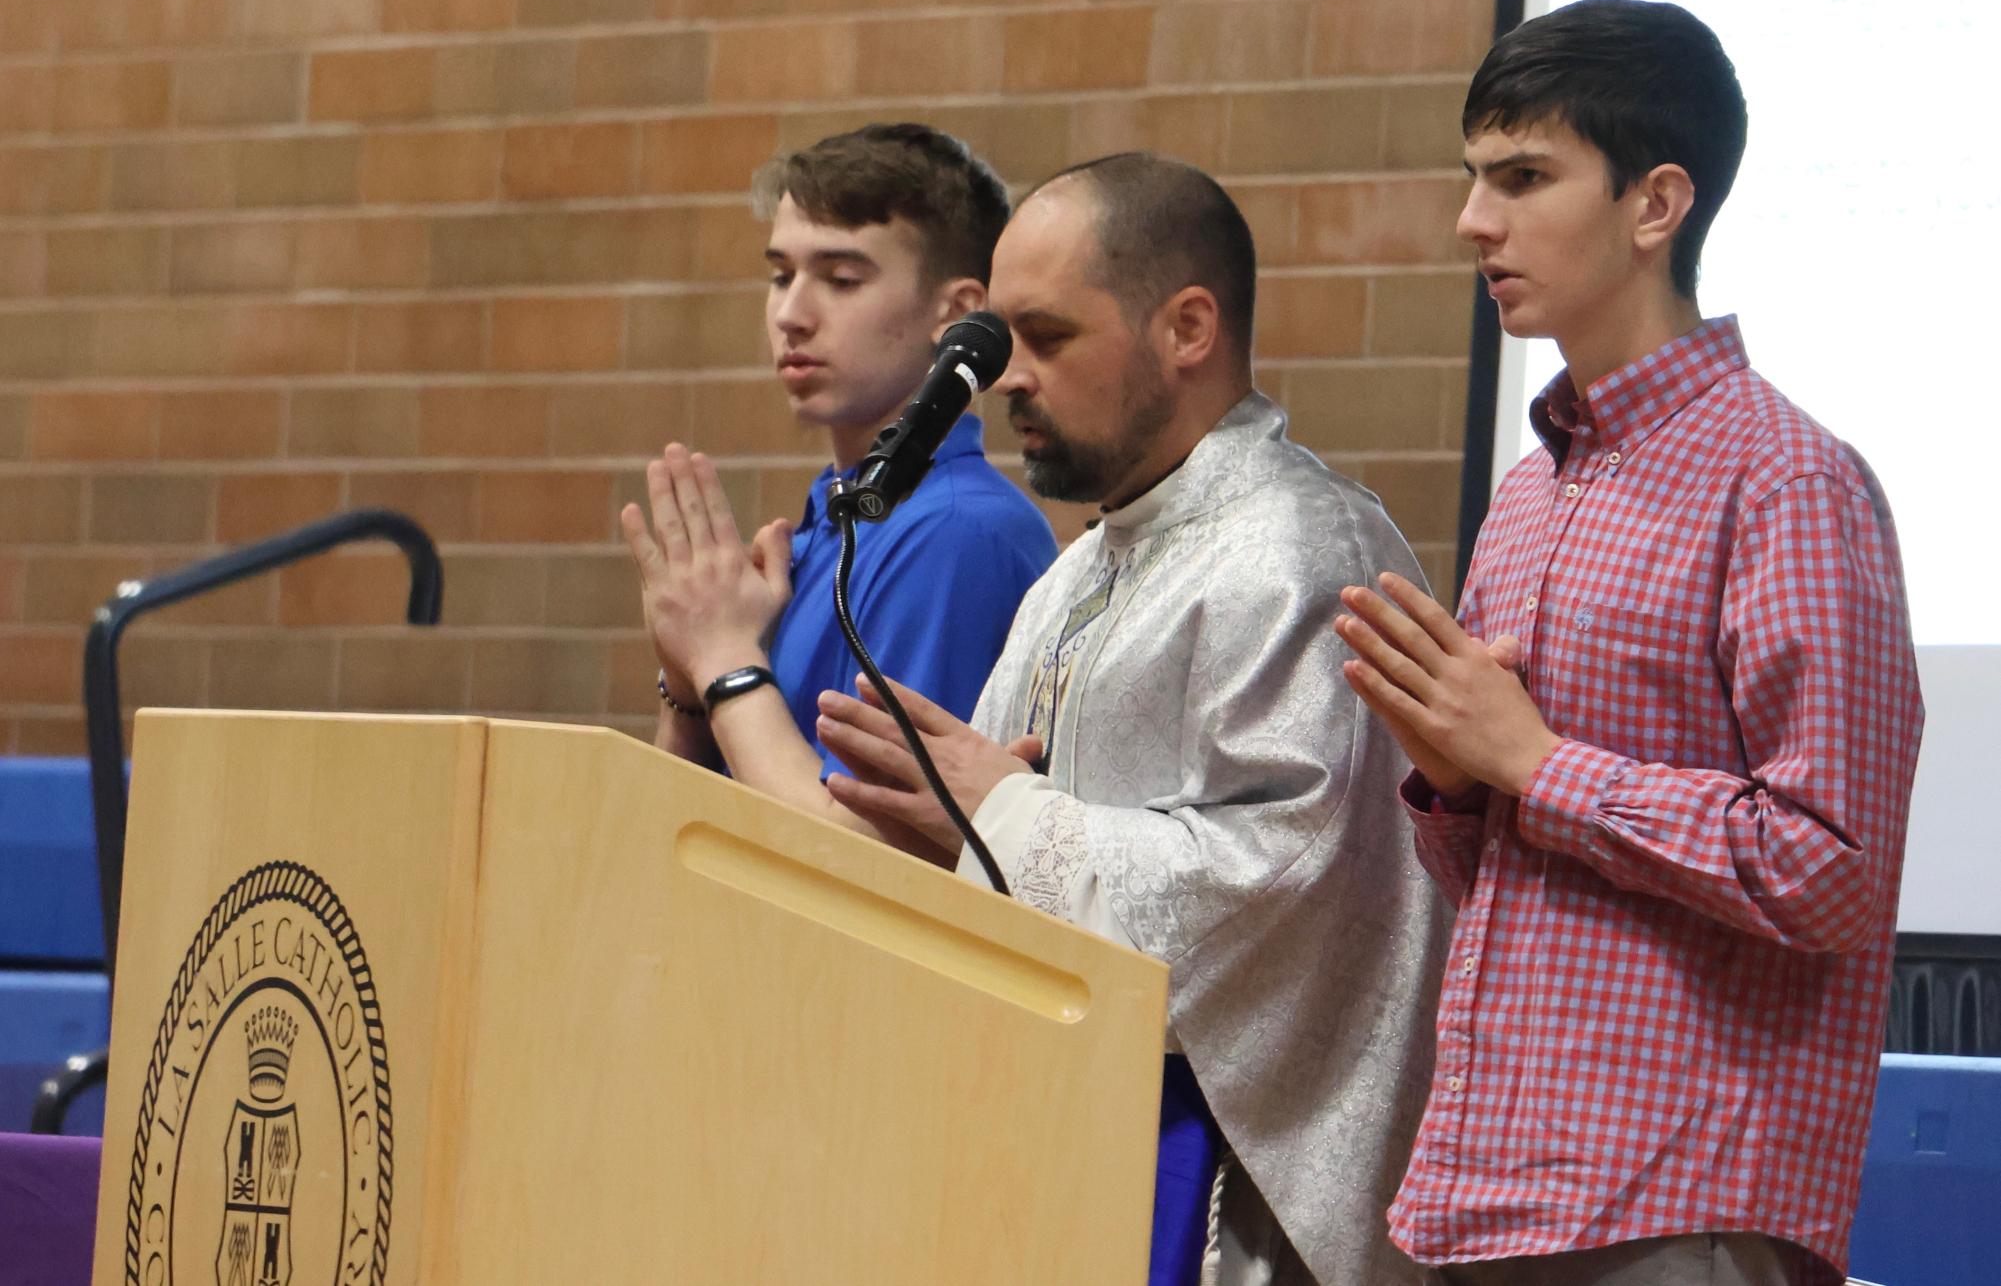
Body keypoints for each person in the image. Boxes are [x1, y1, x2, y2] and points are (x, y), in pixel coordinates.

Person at [1336, 0, 1924, 1286]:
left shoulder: (1790, 482)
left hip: (1677, 1202)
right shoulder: (1532, 493)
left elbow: (1829, 864)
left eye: (1523, 177)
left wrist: (1538, 763)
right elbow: (1500, 872)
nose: (1472, 222)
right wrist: (1454, 774)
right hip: (1486, 1190)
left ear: (1657, 204)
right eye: (1472, 178)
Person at [815, 152, 1448, 1285]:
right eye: (1003, 342)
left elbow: (1279, 878)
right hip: (1073, 1154)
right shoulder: (1079, 574)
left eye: (1048, 338)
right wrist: (954, 838)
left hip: (1231, 1205)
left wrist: (1000, 811)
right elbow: (1000, 830)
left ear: (1188, 327)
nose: (1009, 379)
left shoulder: (1300, 556)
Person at [620, 124, 1056, 858]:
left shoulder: (958, 533)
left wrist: (725, 661)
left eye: (841, 279)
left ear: (956, 314)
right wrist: (690, 686)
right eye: (780, 275)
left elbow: (868, 864)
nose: (791, 313)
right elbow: (670, 839)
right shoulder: (838, 518)